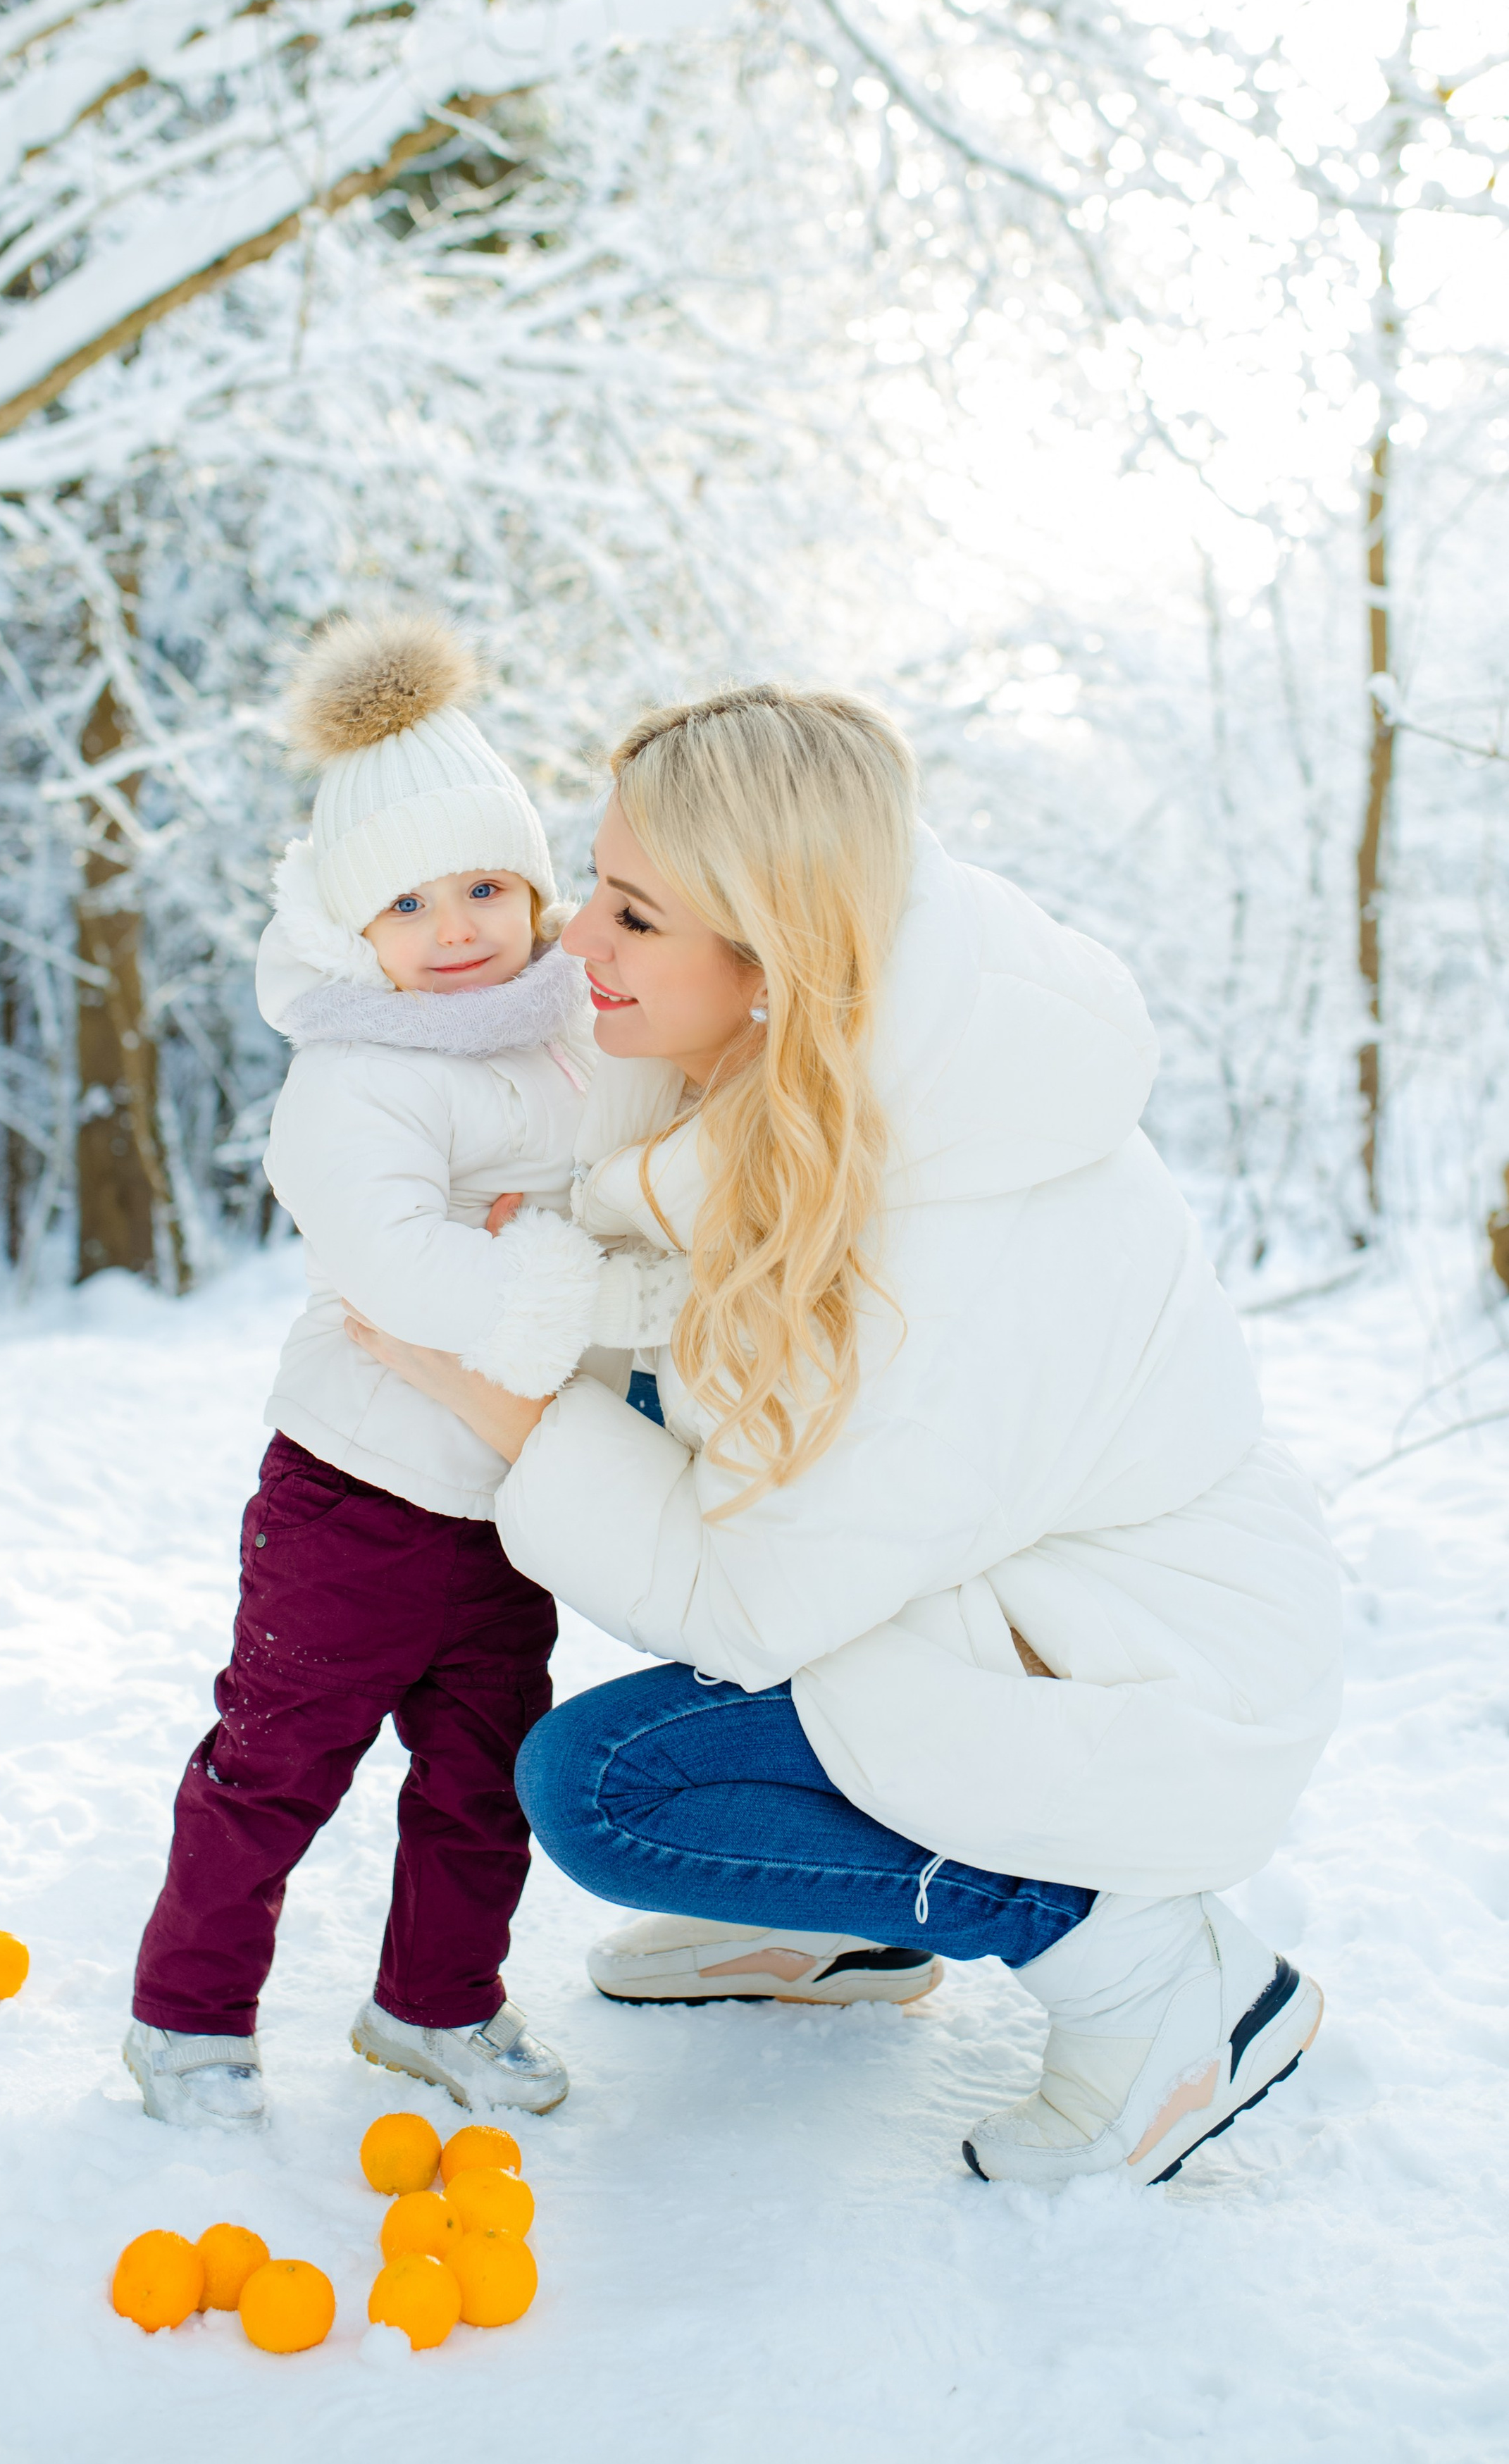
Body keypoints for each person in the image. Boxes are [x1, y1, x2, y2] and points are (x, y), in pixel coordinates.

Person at [347, 684, 1344, 2188]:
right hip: (1007, 1598)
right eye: (593, 888)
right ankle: (837, 1924)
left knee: (612, 1788)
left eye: (630, 914)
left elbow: (749, 1595)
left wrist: (500, 1392)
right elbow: (744, 1408)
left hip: (1139, 1678)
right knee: (734, 1620)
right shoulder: (843, 1056)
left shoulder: (937, 1237)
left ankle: (1149, 1973)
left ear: (768, 953)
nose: (573, 940)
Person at [124, 612, 633, 2126]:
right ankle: (190, 2021)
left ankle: (436, 2007)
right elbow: (404, 1267)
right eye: (411, 902)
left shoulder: (566, 1037)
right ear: (359, 929)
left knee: (485, 1778)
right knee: (275, 1765)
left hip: (503, 1499)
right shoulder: (353, 1078)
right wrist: (560, 1269)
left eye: (486, 883)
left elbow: (619, 1185)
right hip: (353, 1498)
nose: (459, 923)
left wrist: (570, 1248)